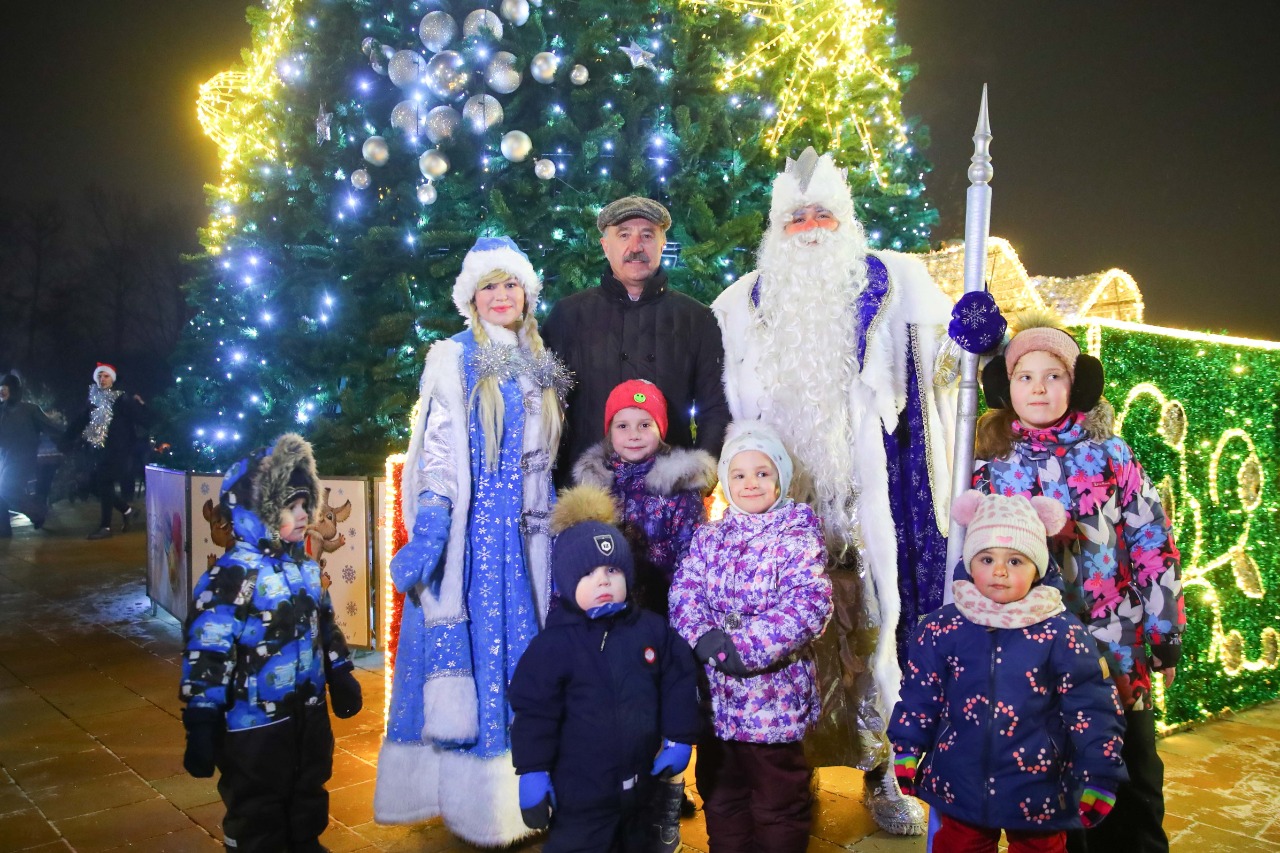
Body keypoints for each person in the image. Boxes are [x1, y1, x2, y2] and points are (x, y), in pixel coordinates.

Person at [711, 147, 956, 834]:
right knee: (789, 645)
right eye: (796, 218)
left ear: (845, 222)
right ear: (776, 230)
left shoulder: (897, 282)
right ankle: (792, 773)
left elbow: (949, 366)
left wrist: (974, 338)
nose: (810, 228)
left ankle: (884, 774)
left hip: (871, 503)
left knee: (872, 637)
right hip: (778, 508)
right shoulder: (739, 304)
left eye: (822, 214)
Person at [373, 236, 570, 847]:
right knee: (484, 662)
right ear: (471, 298)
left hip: (532, 546)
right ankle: (475, 805)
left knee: (528, 666)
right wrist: (430, 533)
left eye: (511, 284)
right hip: (477, 546)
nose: (501, 296)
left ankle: (527, 795)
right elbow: (438, 457)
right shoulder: (454, 359)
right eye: (490, 286)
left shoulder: (540, 360)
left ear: (527, 294)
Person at [972, 313, 1184, 853]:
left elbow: (1151, 540)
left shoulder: (1111, 454)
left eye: (1053, 376)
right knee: (1060, 780)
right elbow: (977, 557)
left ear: (1076, 384)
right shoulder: (991, 466)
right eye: (1025, 376)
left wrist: (1163, 631)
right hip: (1034, 648)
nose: (1039, 388)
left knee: (1132, 773)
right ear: (1006, 387)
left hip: (1115, 642)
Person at [890, 490, 1128, 852]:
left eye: (1015, 560)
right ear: (970, 562)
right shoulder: (942, 628)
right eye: (987, 558)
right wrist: (907, 746)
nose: (999, 571)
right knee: (958, 846)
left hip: (1038, 784)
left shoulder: (1061, 633)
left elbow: (1092, 708)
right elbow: (920, 694)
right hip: (962, 779)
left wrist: (1100, 772)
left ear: (1038, 568)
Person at [179, 433, 363, 853]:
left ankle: (304, 842)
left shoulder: (306, 569)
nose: (302, 516)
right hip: (253, 723)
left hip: (307, 711)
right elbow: (208, 649)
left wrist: (340, 673)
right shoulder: (232, 576)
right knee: (257, 803)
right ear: (256, 511)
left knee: (308, 785)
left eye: (304, 505)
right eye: (288, 507)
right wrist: (201, 719)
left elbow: (325, 625)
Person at [669, 424, 833, 853]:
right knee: (722, 797)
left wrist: (745, 648)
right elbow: (685, 590)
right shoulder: (710, 537)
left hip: (772, 705)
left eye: (762, 473)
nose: (750, 483)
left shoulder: (796, 534)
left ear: (780, 479)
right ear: (726, 482)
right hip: (717, 706)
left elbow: (808, 603)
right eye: (739, 475)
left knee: (778, 804)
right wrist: (702, 636)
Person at [509, 486, 701, 853]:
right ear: (567, 583)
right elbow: (534, 711)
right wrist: (532, 770)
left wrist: (679, 737)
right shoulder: (553, 646)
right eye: (589, 572)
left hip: (642, 789)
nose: (603, 580)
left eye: (613, 569)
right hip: (581, 798)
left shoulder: (651, 630)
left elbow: (678, 679)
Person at [542, 196, 731, 478]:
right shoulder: (568, 316)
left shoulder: (697, 319)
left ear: (662, 244)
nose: (636, 247)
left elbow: (715, 409)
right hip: (584, 488)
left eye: (647, 235)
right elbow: (543, 407)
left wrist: (700, 476)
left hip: (670, 492)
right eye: (624, 235)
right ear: (605, 246)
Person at [571, 379, 716, 615]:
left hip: (660, 611)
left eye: (645, 425)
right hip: (602, 611)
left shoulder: (679, 491)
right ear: (609, 432)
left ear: (660, 430)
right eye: (623, 426)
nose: (634, 435)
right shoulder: (592, 488)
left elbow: (692, 559)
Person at [63, 363, 150, 539]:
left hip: (119, 450)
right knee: (93, 484)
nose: (102, 379)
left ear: (112, 379)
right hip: (99, 450)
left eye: (106, 376)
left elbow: (142, 419)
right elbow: (81, 420)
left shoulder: (122, 399)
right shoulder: (93, 400)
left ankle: (106, 527)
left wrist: (142, 406)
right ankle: (127, 510)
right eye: (99, 376)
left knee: (103, 482)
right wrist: (66, 438)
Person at [0, 373, 62, 536]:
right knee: (2, 493)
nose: (1, 391)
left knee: (7, 489)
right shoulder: (1, 411)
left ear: (13, 389)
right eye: (0, 388)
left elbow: (51, 428)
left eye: (4, 388)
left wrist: (69, 438)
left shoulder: (30, 410)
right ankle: (3, 529)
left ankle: (38, 512)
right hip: (4, 458)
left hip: (22, 459)